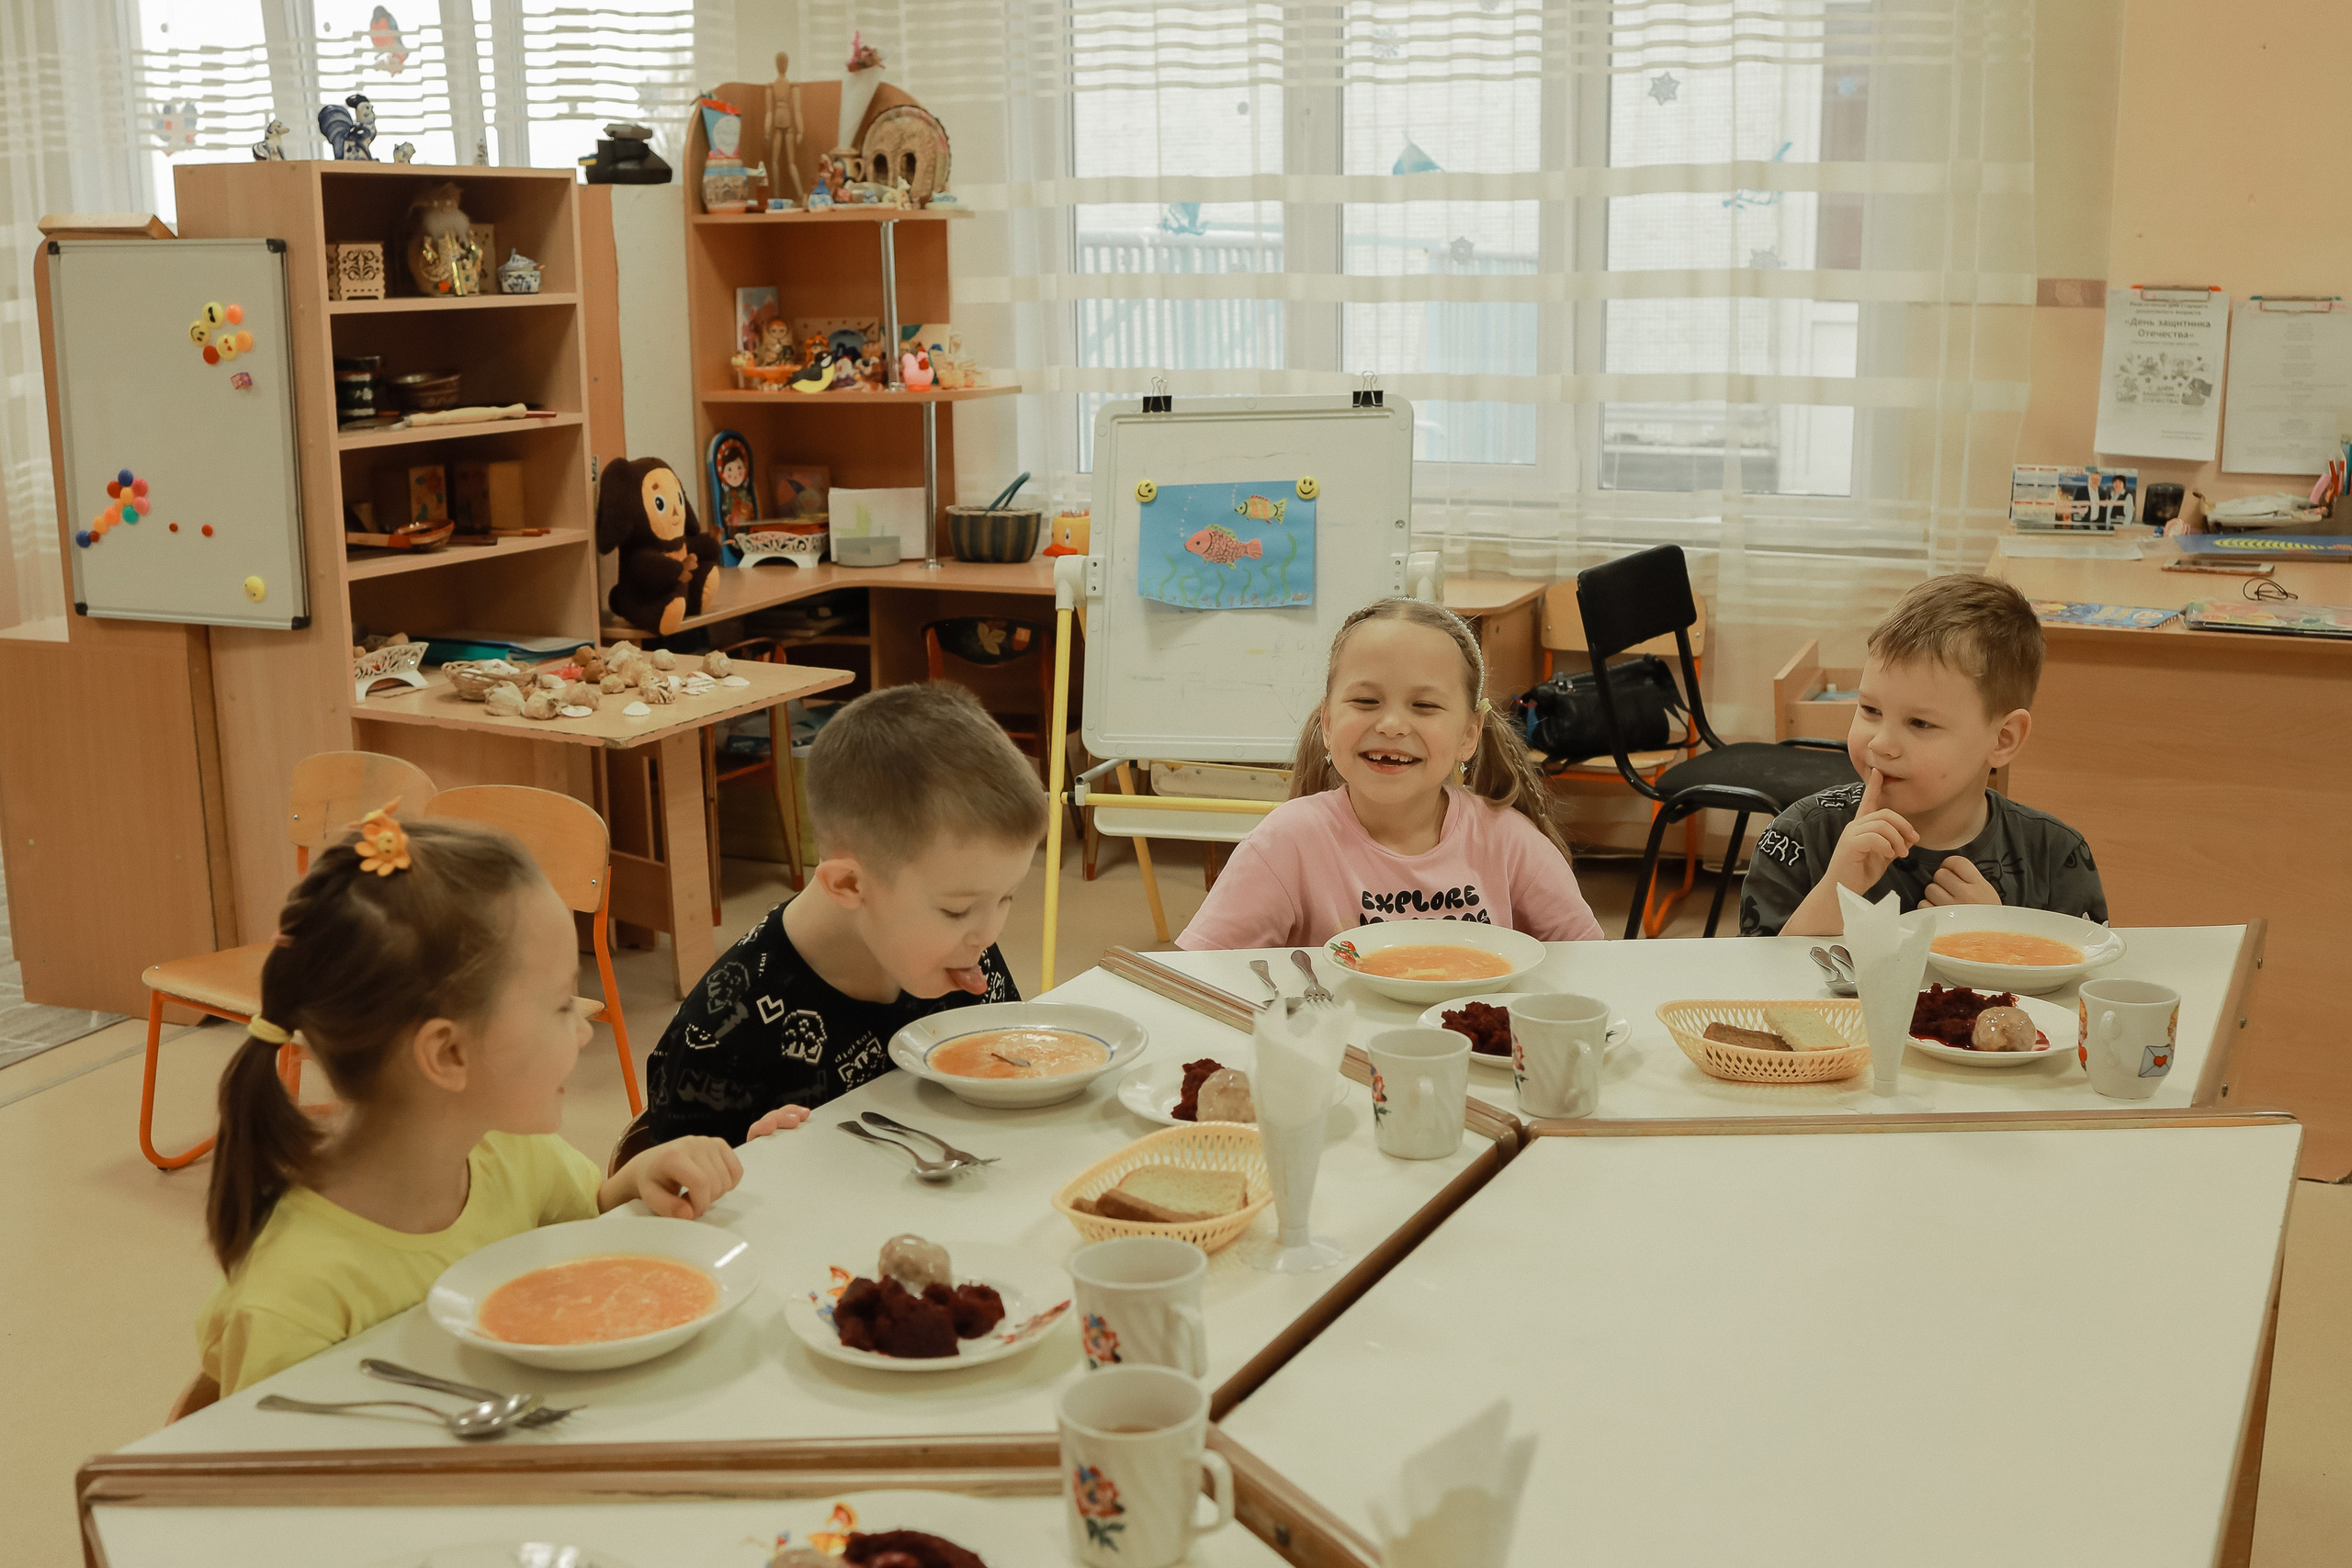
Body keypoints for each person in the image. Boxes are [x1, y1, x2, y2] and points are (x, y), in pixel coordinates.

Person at [198, 809, 745, 1396]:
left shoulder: (508, 1152)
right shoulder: (293, 1302)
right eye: (561, 1005)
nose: (585, 1030)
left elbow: (589, 1211)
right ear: (449, 1053)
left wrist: (641, 1177)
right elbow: (282, 1481)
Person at [639, 682, 1042, 1145]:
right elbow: (669, 1208)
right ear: (850, 884)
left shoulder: (963, 950)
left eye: (1008, 897)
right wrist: (754, 1173)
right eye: (957, 910)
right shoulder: (720, 1037)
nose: (989, 932)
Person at [1178, 597, 1602, 950]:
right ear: (1327, 723)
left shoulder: (1509, 841)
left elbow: (1590, 964)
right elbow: (1194, 972)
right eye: (1365, 701)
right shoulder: (1285, 843)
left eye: (1424, 706)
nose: (1392, 725)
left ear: (1469, 735)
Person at [1739, 574, 2106, 938]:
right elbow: (1758, 989)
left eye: (1920, 723)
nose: (1881, 744)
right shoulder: (1797, 837)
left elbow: (2079, 991)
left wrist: (1998, 937)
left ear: (2003, 739)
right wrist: (1837, 892)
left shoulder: (2056, 857)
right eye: (1870, 709)